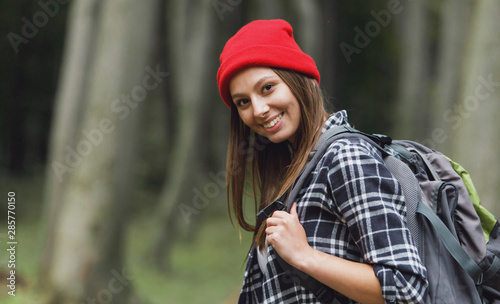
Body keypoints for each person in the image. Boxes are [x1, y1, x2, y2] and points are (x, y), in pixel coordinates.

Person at [217, 19, 428, 304]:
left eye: (267, 88)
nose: (258, 109)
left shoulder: (345, 158)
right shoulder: (296, 172)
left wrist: (305, 256)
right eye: (243, 101)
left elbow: (406, 289)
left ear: (301, 79)